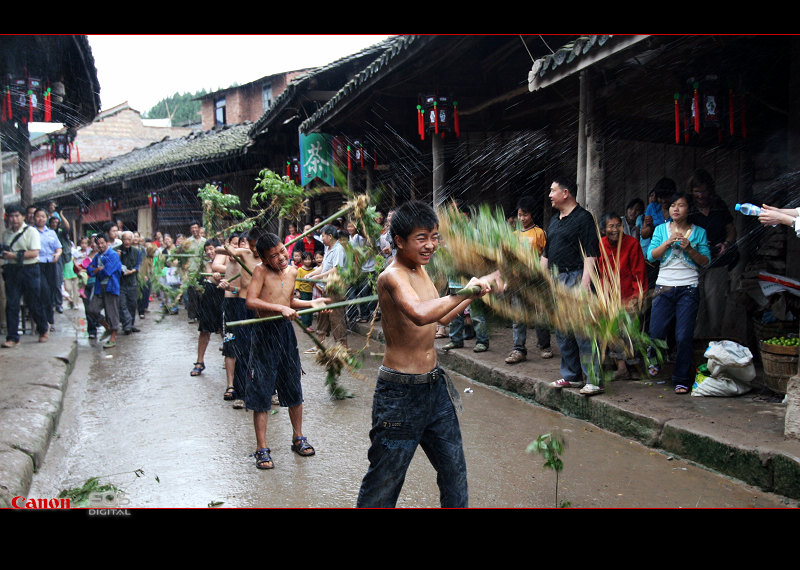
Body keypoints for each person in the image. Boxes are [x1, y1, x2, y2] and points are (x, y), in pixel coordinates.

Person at [356, 200, 498, 508]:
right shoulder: (391, 276)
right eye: (422, 238)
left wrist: (476, 291)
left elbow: (441, 318)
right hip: (400, 394)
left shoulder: (420, 270)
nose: (431, 244)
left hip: (434, 388)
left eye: (434, 236)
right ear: (399, 240)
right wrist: (465, 291)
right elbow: (420, 314)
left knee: (454, 472)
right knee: (384, 482)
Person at [244, 232, 330, 470]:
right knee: (262, 390)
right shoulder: (260, 272)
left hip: (285, 332)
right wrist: (279, 308)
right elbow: (251, 301)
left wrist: (312, 303)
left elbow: (289, 301)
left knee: (293, 384)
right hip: (263, 332)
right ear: (263, 258)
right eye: (273, 256)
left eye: (282, 250)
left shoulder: (292, 271)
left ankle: (298, 437)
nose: (281, 257)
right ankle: (262, 447)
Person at [541, 175, 603, 395]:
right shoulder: (555, 220)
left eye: (552, 190)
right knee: (563, 331)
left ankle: (593, 379)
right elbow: (547, 252)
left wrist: (585, 283)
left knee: (583, 331)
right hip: (557, 280)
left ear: (565, 193)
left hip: (577, 277)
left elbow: (591, 253)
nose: (550, 195)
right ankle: (572, 376)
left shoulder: (584, 218)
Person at [646, 191, 710, 394]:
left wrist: (689, 249)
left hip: (688, 288)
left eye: (680, 205)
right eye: (672, 205)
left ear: (688, 209)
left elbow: (706, 261)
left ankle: (681, 378)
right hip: (663, 286)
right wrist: (667, 242)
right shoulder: (660, 230)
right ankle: (655, 357)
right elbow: (651, 255)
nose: (675, 208)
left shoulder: (699, 232)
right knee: (656, 331)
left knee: (683, 336)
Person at [598, 212, 648, 380]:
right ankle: (620, 366)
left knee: (630, 333)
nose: (615, 229)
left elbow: (639, 272)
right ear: (604, 229)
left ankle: (633, 366)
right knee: (612, 333)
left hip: (628, 296)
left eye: (618, 225)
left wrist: (636, 296)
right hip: (608, 298)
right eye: (611, 226)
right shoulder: (601, 244)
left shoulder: (632, 244)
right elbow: (598, 272)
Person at [687, 168, 737, 339]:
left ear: (710, 190)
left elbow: (731, 230)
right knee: (696, 307)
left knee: (715, 306)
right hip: (695, 264)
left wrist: (726, 244)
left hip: (717, 263)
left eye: (704, 191)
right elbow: (678, 232)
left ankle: (714, 342)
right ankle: (697, 347)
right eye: (697, 191)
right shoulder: (688, 208)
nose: (701, 195)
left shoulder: (718, 205)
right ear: (691, 191)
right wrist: (696, 244)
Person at [505, 195, 553, 364]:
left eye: (525, 215)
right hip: (518, 281)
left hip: (535, 281)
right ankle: (519, 349)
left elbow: (546, 256)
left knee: (540, 315)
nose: (522, 218)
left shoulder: (540, 233)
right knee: (518, 317)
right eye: (520, 215)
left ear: (532, 215)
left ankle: (544, 346)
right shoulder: (514, 235)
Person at [218, 230, 261, 408]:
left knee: (263, 348)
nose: (252, 249)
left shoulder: (269, 257)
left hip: (262, 305)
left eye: (255, 245)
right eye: (249, 245)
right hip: (242, 304)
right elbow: (230, 253)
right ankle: (241, 393)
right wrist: (228, 246)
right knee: (241, 348)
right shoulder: (245, 253)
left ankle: (268, 390)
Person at [2, 205, 49, 347]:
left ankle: (43, 329)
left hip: (30, 270)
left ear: (23, 217)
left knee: (33, 302)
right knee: (12, 303)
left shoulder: (31, 232)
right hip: (12, 270)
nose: (14, 219)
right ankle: (12, 337)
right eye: (11, 216)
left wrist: (15, 255)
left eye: (17, 216)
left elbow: (34, 253)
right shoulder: (6, 234)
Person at [306, 224, 348, 349]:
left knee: (336, 317)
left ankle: (343, 348)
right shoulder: (328, 249)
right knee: (323, 315)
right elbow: (323, 267)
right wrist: (311, 274)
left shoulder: (339, 249)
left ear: (330, 236)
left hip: (336, 288)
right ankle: (320, 344)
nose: (321, 238)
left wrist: (318, 278)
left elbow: (336, 270)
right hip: (327, 287)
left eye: (323, 236)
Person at [190, 239, 226, 377]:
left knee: (225, 329)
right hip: (210, 297)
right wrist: (216, 276)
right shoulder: (208, 264)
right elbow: (213, 277)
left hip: (225, 296)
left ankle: (228, 357)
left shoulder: (227, 260)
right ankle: (200, 361)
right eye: (207, 250)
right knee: (205, 330)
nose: (210, 252)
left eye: (212, 248)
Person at [87, 233, 122, 349]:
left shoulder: (113, 255)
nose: (100, 245)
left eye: (102, 243)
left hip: (111, 287)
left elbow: (107, 271)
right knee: (92, 309)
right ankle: (107, 327)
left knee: (112, 312)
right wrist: (97, 270)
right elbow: (89, 269)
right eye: (98, 244)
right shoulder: (98, 256)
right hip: (99, 287)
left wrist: (96, 271)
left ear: (107, 243)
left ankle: (113, 338)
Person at [33, 208, 62, 332]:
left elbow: (58, 247)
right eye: (38, 216)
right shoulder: (31, 232)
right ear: (34, 218)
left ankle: (50, 320)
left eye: (43, 216)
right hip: (37, 264)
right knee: (43, 291)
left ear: (46, 218)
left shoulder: (51, 233)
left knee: (51, 291)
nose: (41, 219)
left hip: (51, 264)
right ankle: (45, 321)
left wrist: (57, 254)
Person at [118, 231, 143, 335]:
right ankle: (126, 325)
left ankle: (131, 324)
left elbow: (138, 265)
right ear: (121, 240)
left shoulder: (136, 251)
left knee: (132, 304)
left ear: (132, 240)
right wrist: (117, 256)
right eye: (124, 239)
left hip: (132, 281)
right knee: (122, 304)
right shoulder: (116, 250)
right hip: (120, 282)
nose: (127, 242)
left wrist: (132, 271)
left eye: (129, 239)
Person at [181, 222, 206, 323]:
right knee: (192, 294)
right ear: (190, 230)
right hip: (191, 271)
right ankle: (192, 316)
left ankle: (201, 315)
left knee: (202, 294)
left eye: (196, 227)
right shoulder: (187, 242)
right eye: (192, 228)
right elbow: (183, 257)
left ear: (199, 228)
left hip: (203, 271)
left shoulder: (205, 241)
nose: (194, 230)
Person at [295, 251, 316, 330]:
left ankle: (308, 325)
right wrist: (297, 291)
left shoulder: (313, 270)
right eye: (306, 259)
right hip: (303, 292)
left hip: (311, 292)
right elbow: (298, 281)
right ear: (302, 260)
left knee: (310, 309)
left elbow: (314, 281)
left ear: (312, 260)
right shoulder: (300, 270)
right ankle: (305, 326)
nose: (308, 261)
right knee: (304, 309)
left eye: (309, 259)